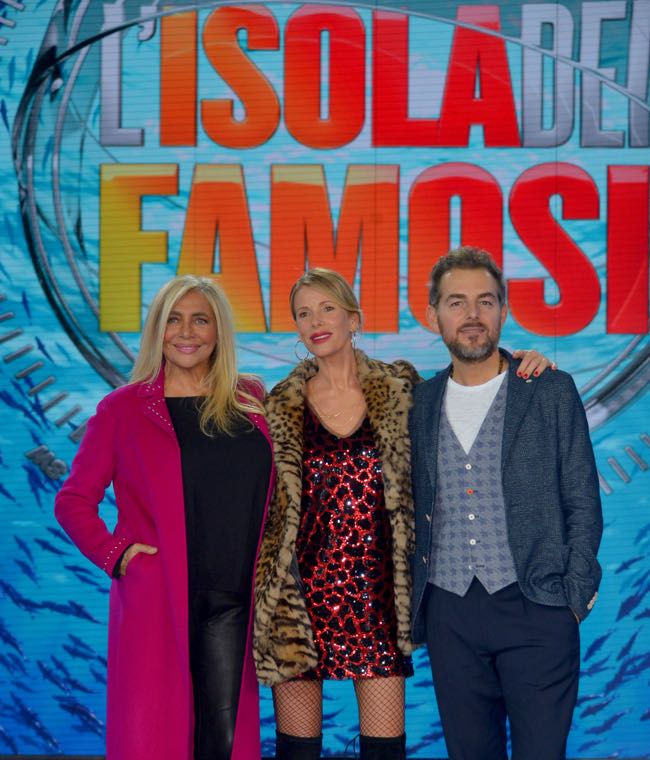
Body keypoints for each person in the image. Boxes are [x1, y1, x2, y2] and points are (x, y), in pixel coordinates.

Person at [254, 268, 553, 760]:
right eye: (303, 314)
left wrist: (518, 361)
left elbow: (472, 387)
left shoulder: (403, 389)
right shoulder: (277, 406)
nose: (316, 322)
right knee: (297, 752)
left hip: (379, 598)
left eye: (327, 309)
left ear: (354, 319)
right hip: (298, 602)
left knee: (384, 751)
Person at [54, 275, 275, 760]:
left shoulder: (251, 399)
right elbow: (73, 501)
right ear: (157, 328)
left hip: (237, 600)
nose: (187, 332)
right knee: (157, 738)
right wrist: (118, 555)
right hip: (158, 597)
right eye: (174, 319)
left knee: (223, 741)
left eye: (200, 319)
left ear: (218, 330)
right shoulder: (122, 409)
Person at [410, 247, 603, 760]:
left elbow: (583, 500)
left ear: (504, 309)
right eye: (456, 302)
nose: (472, 314)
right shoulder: (418, 403)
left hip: (537, 607)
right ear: (433, 314)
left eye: (486, 301)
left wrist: (572, 600)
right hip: (449, 613)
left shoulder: (549, 389)